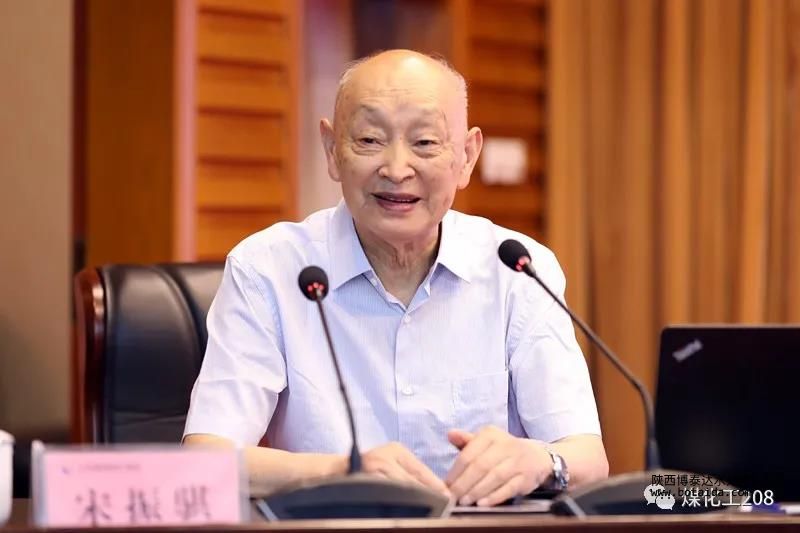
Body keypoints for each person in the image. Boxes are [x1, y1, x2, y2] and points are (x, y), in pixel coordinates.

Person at [183, 49, 608, 507]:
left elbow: (587, 457)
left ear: (467, 157)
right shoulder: (268, 270)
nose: (397, 169)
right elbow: (205, 462)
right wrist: (341, 473)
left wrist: (541, 461)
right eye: (369, 139)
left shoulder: (518, 271)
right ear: (332, 151)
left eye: (424, 142)